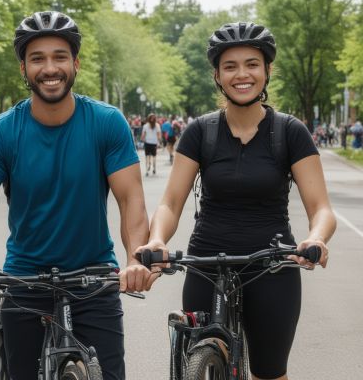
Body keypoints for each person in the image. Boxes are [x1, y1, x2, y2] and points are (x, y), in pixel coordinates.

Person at [0, 11, 152, 380]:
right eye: (37, 58)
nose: (49, 68)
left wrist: (136, 259)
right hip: (24, 282)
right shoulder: (2, 132)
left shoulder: (107, 123)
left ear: (76, 64)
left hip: (94, 281)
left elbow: (131, 201)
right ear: (23, 68)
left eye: (59, 57)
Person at [137, 22, 336, 380]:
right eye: (230, 66)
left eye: (252, 64)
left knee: (269, 372)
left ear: (267, 70)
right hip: (207, 260)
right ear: (217, 75)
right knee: (196, 354)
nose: (241, 74)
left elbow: (320, 208)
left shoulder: (290, 132)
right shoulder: (200, 132)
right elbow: (171, 202)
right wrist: (157, 240)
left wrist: (316, 238)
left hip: (271, 263)